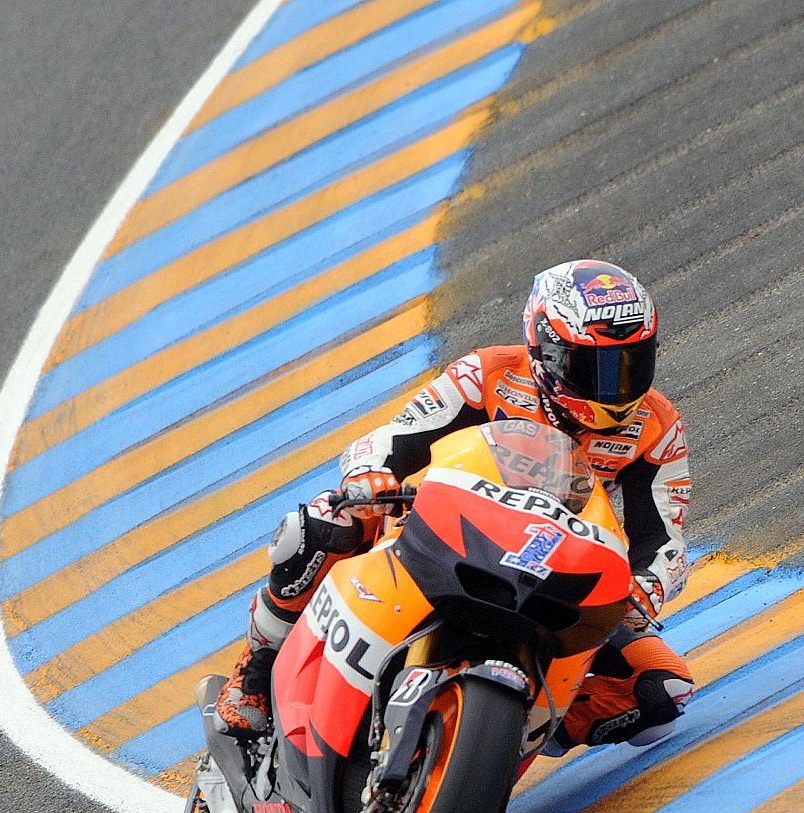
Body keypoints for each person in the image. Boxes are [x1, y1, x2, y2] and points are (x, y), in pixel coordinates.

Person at [213, 259, 695, 757]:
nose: (614, 387)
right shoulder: (485, 373)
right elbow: (391, 438)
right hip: (448, 530)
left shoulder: (659, 427)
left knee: (662, 691)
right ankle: (255, 667)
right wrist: (370, 476)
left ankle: (495, 747)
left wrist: (649, 584)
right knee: (326, 521)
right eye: (593, 367)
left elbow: (665, 538)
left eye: (632, 363)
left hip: (556, 567)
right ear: (546, 350)